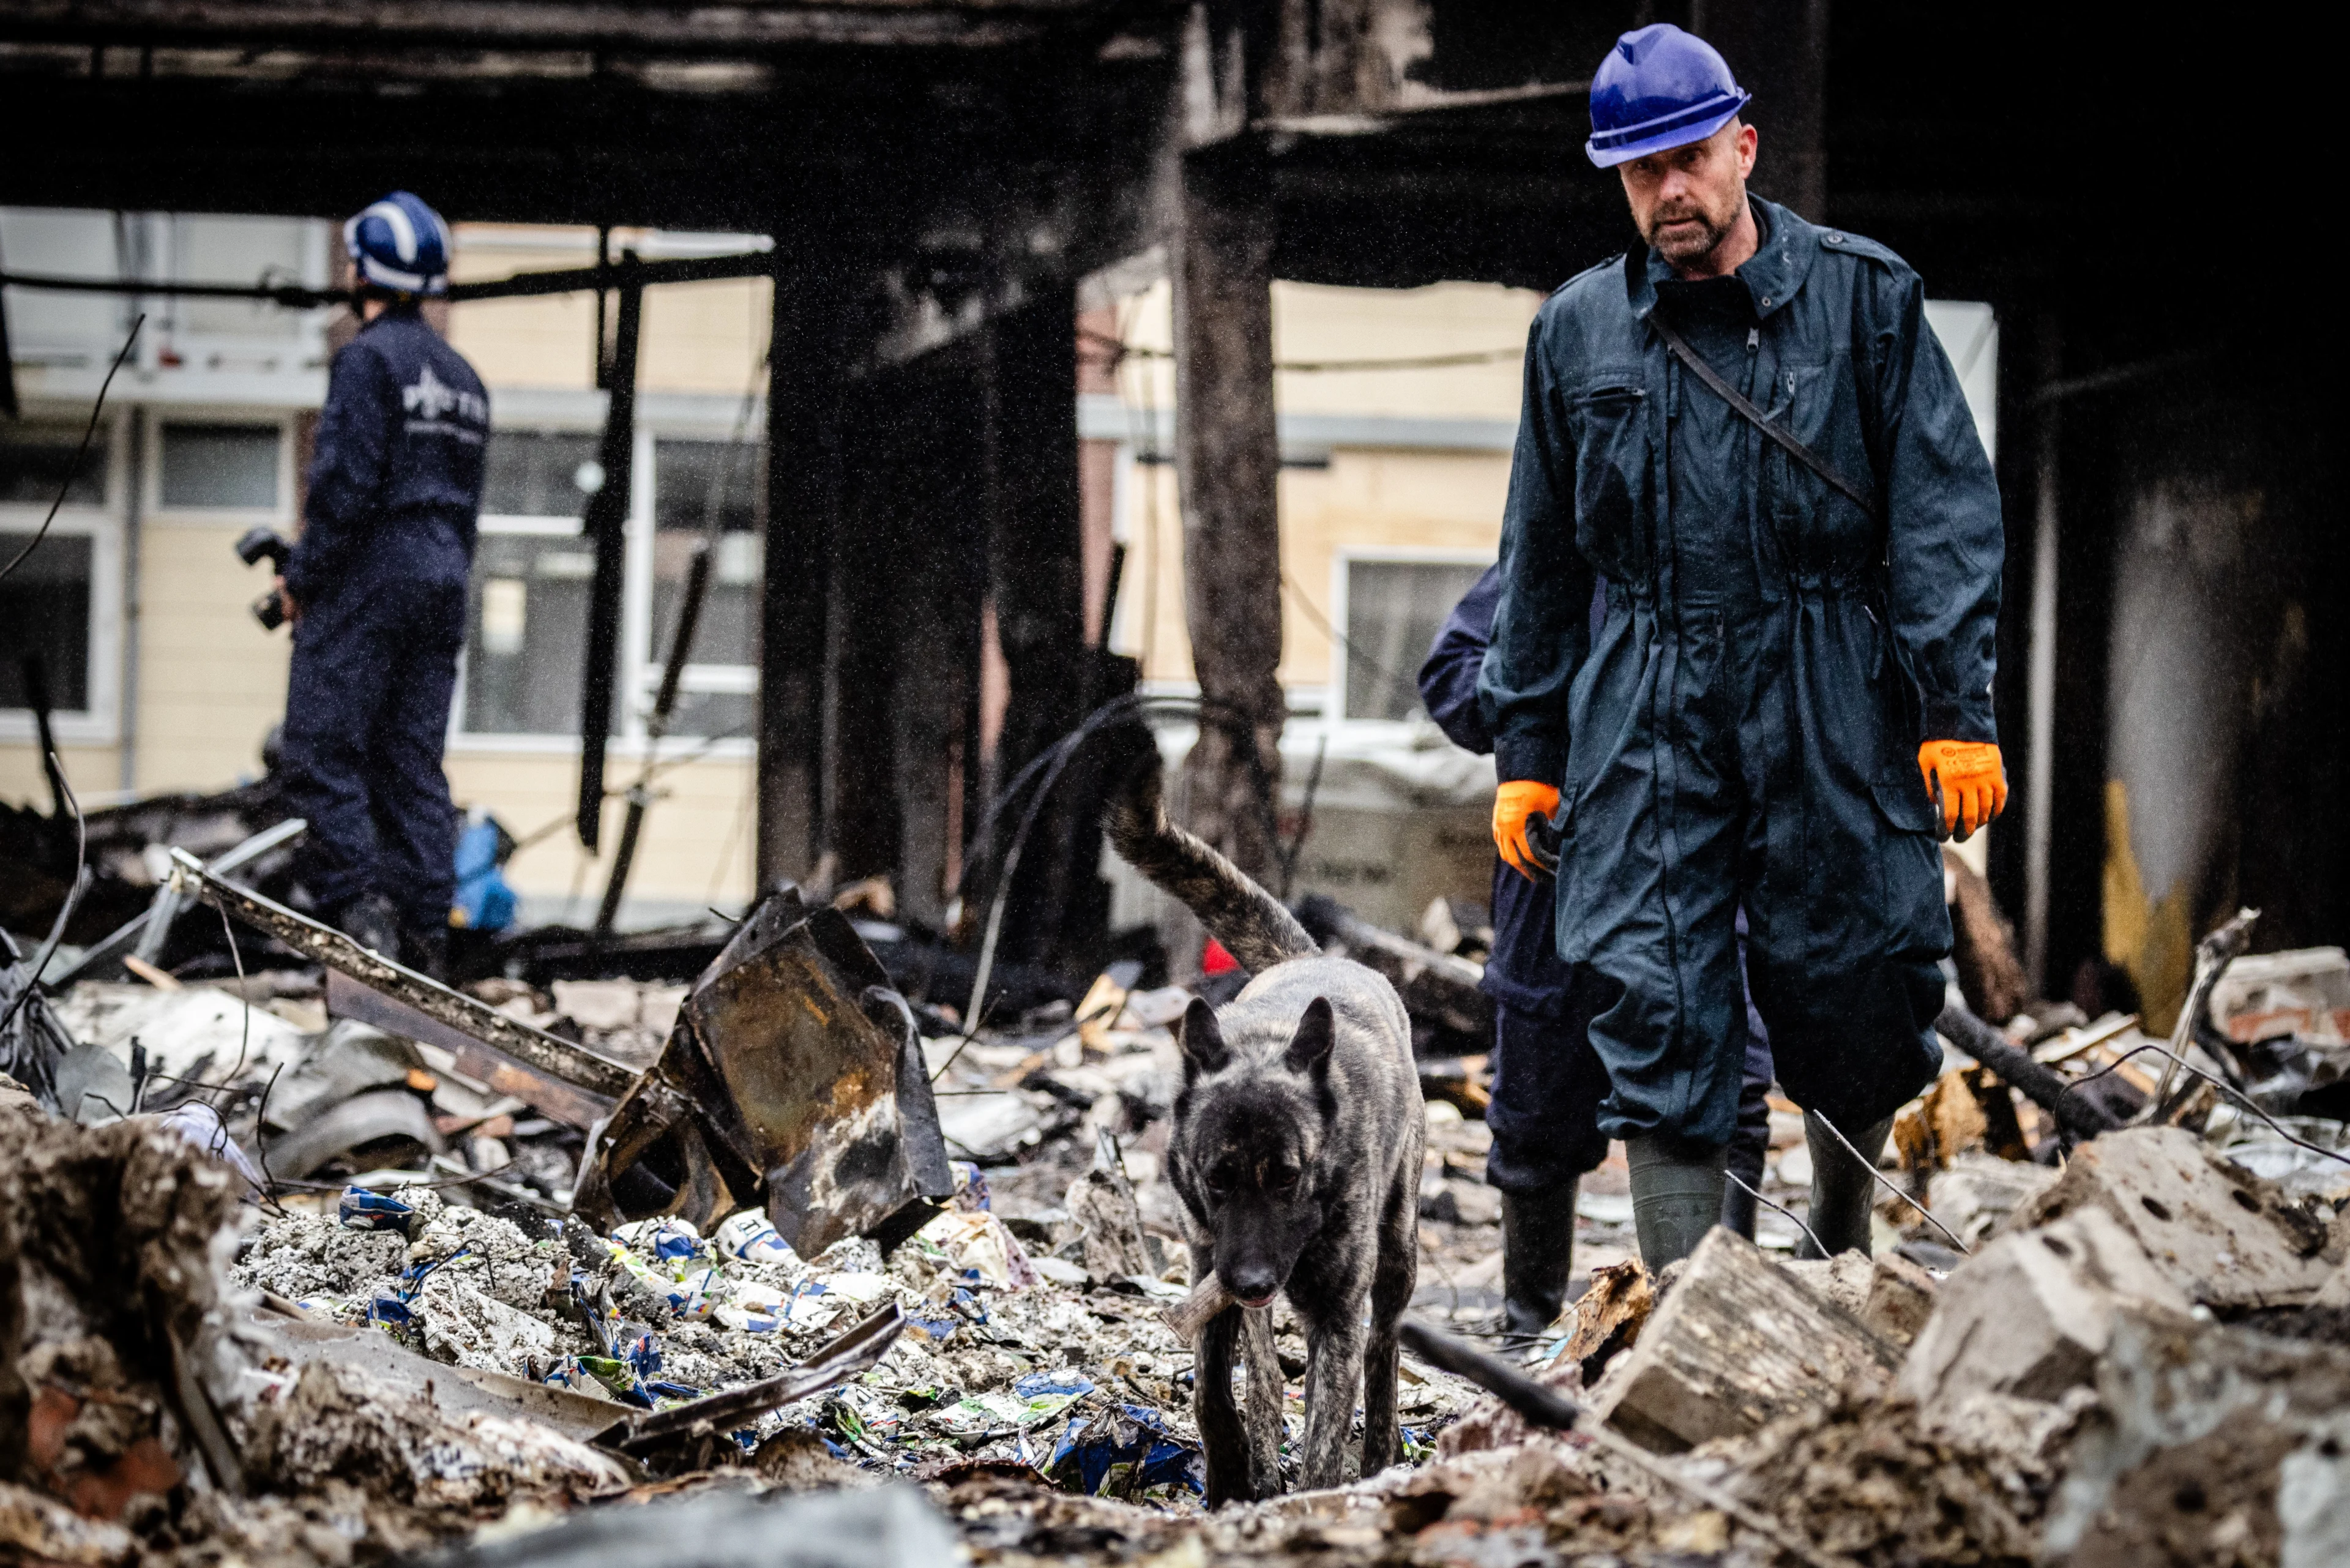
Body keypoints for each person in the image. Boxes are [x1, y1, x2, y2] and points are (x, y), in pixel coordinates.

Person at [1479, 24, 2005, 1268]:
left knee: (1863, 963)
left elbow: (1943, 516)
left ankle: (1839, 1247)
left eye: (1689, 158)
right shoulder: (1580, 334)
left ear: (1743, 149)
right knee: (1651, 983)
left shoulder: (1867, 302)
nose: (1669, 190)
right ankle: (1687, 1310)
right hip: (1649, 684)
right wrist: (1529, 745)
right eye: (1639, 171)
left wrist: (1958, 709)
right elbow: (1542, 551)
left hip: (1829, 673)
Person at [1419, 565, 1774, 1343]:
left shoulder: (1741, 554)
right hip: (1555, 871)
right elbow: (1449, 676)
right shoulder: (1556, 561)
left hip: (1701, 873)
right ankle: (1526, 1339)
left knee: (1724, 1096)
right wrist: (1549, 706)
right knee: (1539, 1110)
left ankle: (1714, 1334)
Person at [275, 192, 490, 975]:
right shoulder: (465, 379)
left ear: (362, 268)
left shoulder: (367, 360)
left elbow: (344, 487)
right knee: (411, 763)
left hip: (371, 577)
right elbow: (466, 505)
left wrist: (303, 579)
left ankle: (364, 924)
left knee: (318, 752)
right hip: (443, 584)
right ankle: (427, 939)